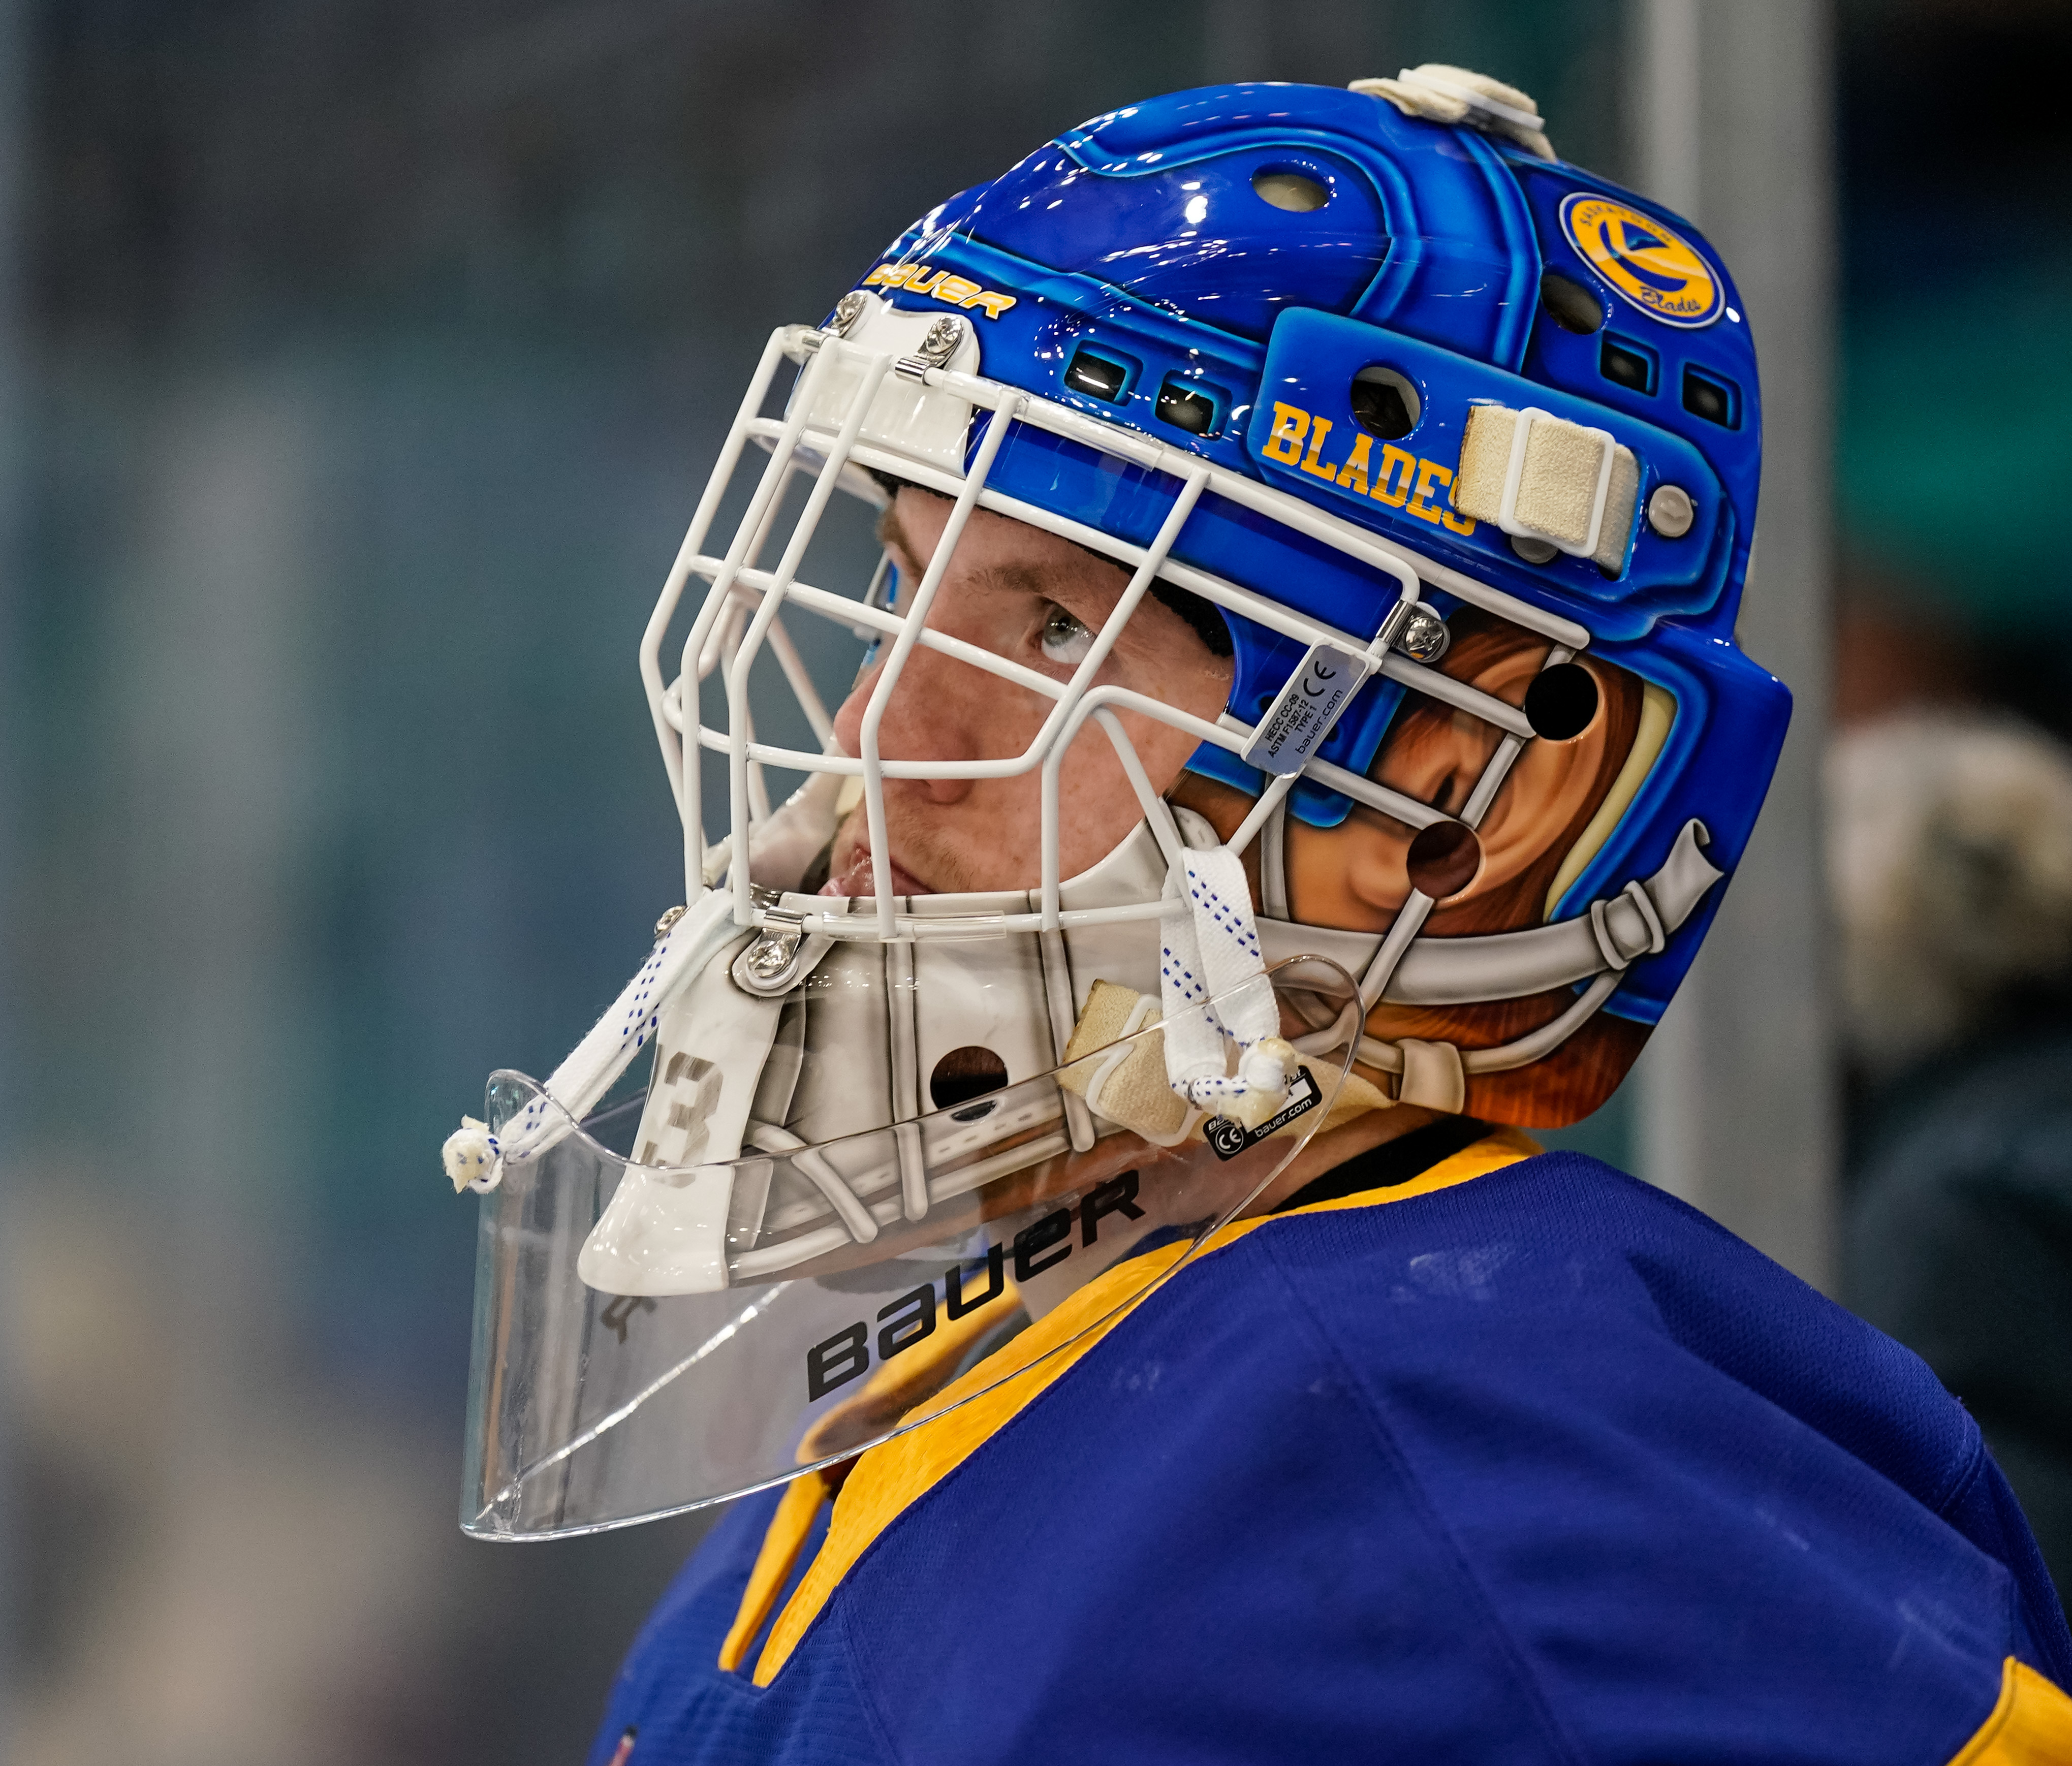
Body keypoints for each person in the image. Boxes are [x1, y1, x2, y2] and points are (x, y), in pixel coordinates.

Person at [441, 71, 2072, 1763]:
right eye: (897, 595)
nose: (879, 749)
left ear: (1453, 797)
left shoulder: (1476, 1428)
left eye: (1056, 627)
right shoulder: (977, 1360)